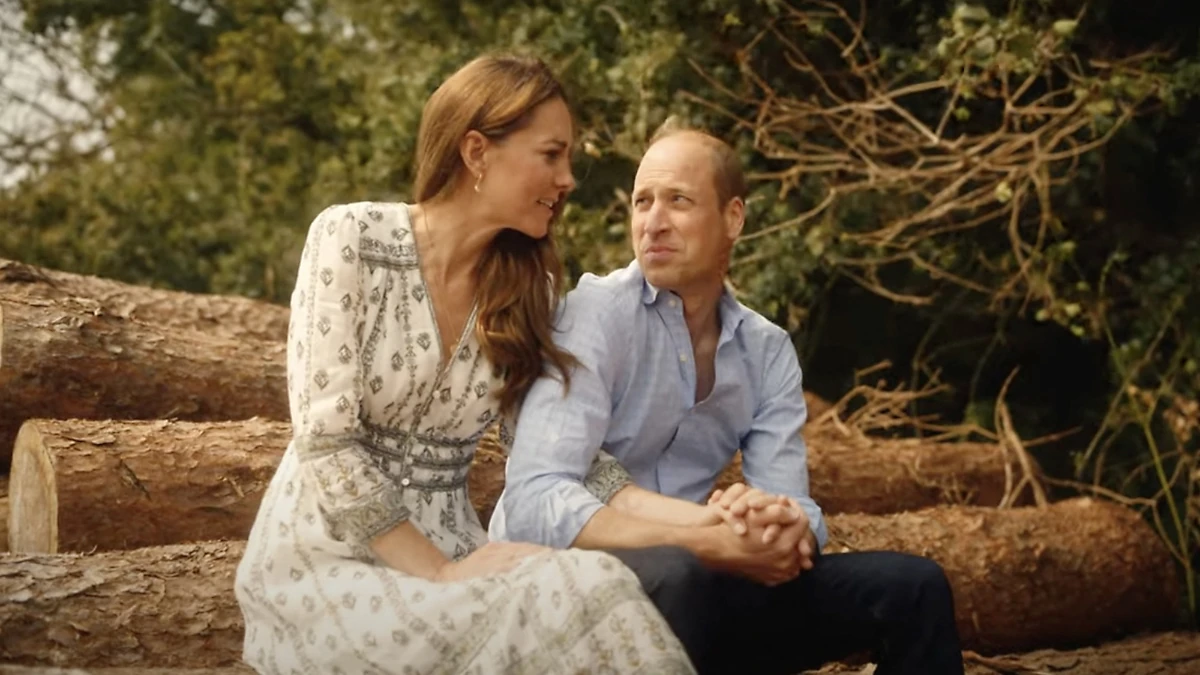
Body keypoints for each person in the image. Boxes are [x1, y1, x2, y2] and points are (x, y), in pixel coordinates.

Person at [234, 55, 696, 674]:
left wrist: (706, 523)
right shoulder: (350, 237)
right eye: (551, 155)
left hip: (455, 552)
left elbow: (559, 452)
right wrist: (439, 572)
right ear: (477, 151)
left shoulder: (530, 290)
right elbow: (326, 441)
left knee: (600, 585)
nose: (567, 179)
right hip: (323, 562)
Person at [490, 126, 965, 675]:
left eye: (678, 200)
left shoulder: (765, 350)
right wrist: (702, 539)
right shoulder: (594, 316)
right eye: (642, 202)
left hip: (708, 579)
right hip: (574, 590)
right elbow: (536, 498)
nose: (653, 222)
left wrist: (783, 525)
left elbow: (793, 501)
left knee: (912, 587)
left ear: (733, 218)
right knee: (679, 574)